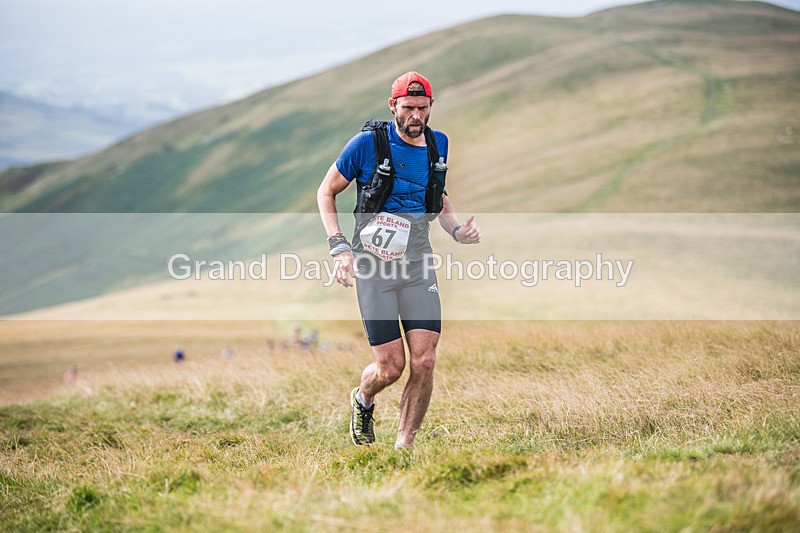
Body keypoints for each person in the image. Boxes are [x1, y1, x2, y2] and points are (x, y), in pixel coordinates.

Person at [317, 71, 480, 449]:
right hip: (374, 264)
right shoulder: (365, 145)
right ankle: (363, 399)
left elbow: (436, 194)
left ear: (431, 107)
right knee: (391, 367)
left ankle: (403, 446)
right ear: (393, 106)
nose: (415, 116)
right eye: (408, 108)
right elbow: (326, 192)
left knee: (424, 360)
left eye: (422, 109)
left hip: (418, 260)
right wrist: (339, 246)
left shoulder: (439, 144)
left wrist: (456, 230)